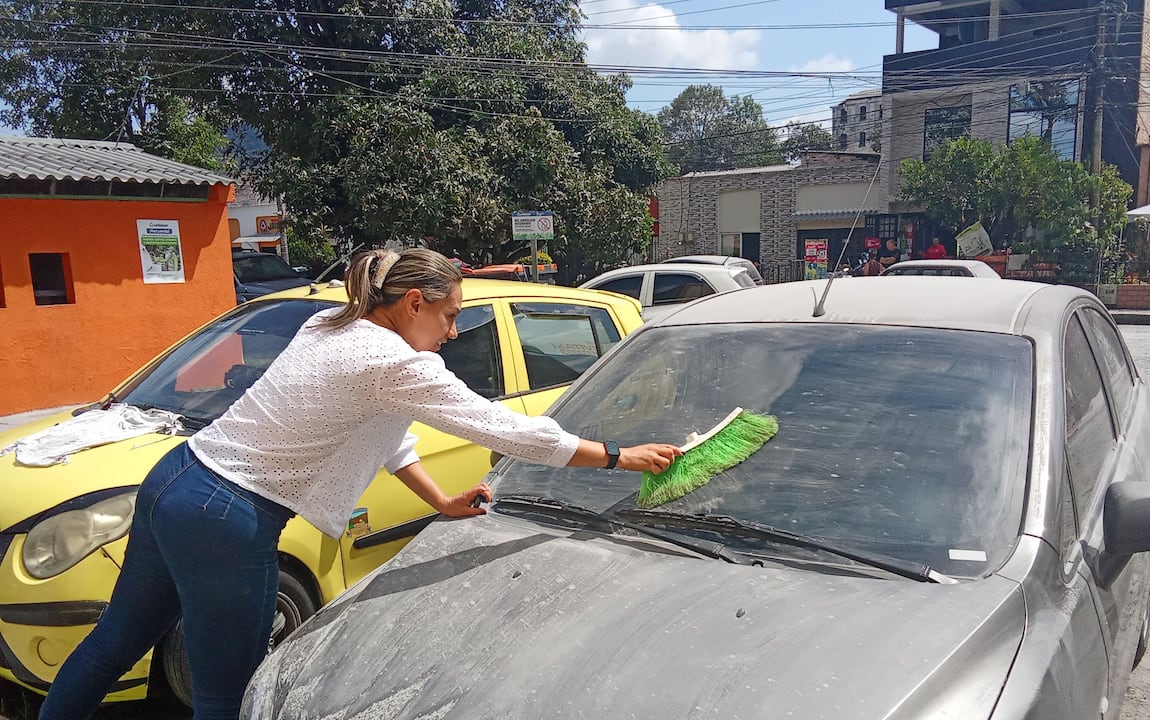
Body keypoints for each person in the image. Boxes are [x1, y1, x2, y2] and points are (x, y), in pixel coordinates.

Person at [39, 248, 682, 720]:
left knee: (115, 642)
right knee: (226, 696)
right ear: (413, 304)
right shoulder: (392, 361)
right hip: (225, 516)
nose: (454, 332)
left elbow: (384, 430)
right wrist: (618, 456)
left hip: (173, 480)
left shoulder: (331, 325)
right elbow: (507, 431)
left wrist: (437, 500)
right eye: (451, 316)